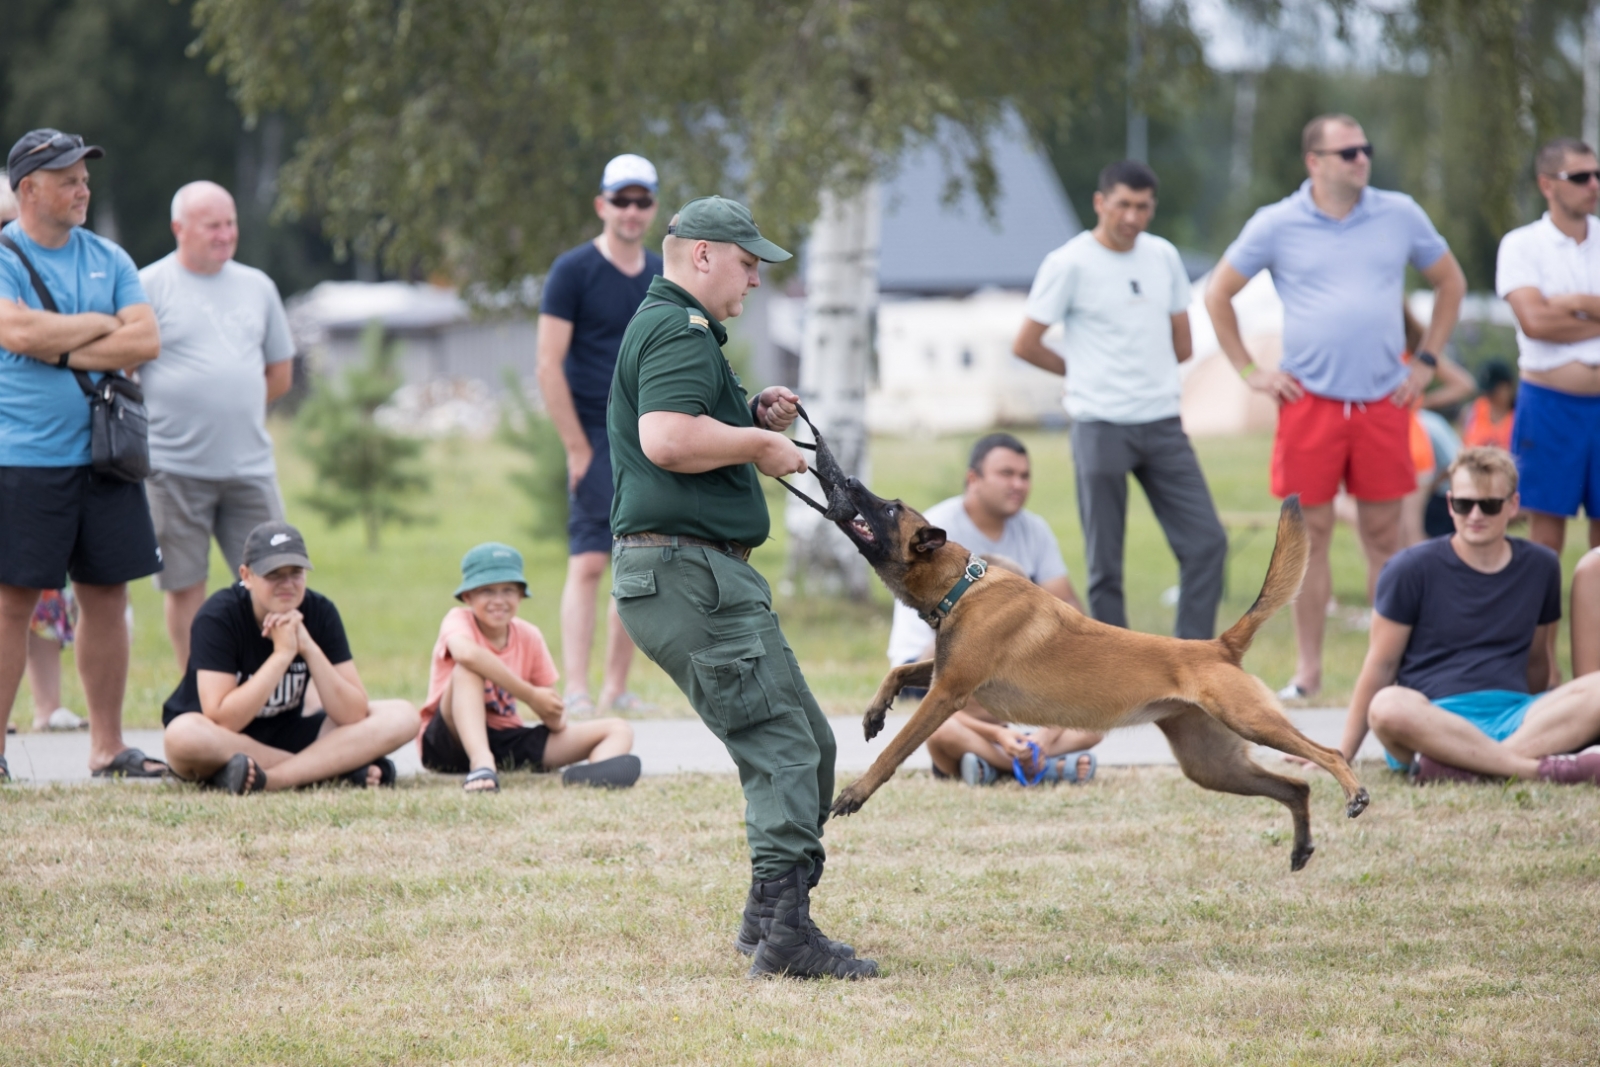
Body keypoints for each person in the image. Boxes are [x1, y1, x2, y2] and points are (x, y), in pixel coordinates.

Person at [608, 196, 877, 980]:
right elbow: (666, 436)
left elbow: (686, 421)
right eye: (747, 261)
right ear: (700, 255)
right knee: (785, 747)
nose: (756, 277)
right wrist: (760, 442)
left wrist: (747, 410)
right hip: (689, 573)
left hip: (700, 572)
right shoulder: (678, 329)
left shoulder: (678, 332)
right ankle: (788, 938)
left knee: (809, 740)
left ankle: (767, 915)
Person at [1205, 113, 1467, 700]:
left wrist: (1425, 361)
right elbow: (1217, 292)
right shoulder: (1276, 222)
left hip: (1382, 402)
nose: (1361, 159)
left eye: (1365, 149)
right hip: (1310, 404)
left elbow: (1451, 282)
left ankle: (1391, 670)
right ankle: (1309, 674)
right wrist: (1250, 371)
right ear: (1315, 162)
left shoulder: (1399, 213)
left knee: (1384, 536)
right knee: (1309, 539)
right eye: (1347, 152)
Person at [0, 129, 165, 783]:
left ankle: (106, 746)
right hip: (24, 458)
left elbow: (145, 339)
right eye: (68, 179)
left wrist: (59, 346)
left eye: (85, 177)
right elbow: (15, 330)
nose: (83, 188)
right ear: (29, 189)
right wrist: (103, 326)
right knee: (13, 603)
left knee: (106, 595)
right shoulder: (4, 255)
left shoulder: (110, 257)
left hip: (105, 458)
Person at [1014, 159, 1227, 640]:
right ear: (1100, 203)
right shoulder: (1068, 263)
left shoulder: (1163, 257)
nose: (1133, 216)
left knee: (1207, 543)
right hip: (1100, 425)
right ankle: (1119, 675)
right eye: (1123, 205)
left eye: (1144, 207)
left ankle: (1191, 664)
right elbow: (1025, 344)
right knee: (1105, 563)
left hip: (1162, 422)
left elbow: (1184, 345)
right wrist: (1083, 370)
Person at [1337, 447, 1600, 785]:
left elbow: (1538, 662)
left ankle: (1462, 767)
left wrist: (1560, 709)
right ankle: (1535, 770)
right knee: (1387, 705)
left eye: (1489, 505)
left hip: (1515, 714)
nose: (1475, 515)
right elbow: (1380, 667)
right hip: (1432, 719)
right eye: (1464, 504)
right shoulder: (1408, 568)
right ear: (1450, 504)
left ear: (1513, 505)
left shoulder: (1541, 566)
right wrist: (1341, 754)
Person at [883, 434, 1100, 786]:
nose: (1018, 484)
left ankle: (998, 763)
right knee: (942, 726)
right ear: (974, 479)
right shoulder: (934, 528)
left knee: (1091, 719)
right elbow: (933, 631)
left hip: (1004, 660)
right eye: (1007, 473)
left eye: (1025, 476)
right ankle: (1037, 767)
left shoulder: (1035, 529)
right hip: (927, 662)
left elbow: (1069, 610)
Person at [140, 181, 295, 672]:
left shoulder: (258, 286)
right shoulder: (148, 286)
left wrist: (229, 407)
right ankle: (199, 695)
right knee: (186, 584)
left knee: (277, 576)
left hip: (248, 464)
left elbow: (279, 374)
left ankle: (273, 688)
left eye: (230, 223)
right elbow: (123, 372)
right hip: (173, 466)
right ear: (179, 228)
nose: (226, 234)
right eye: (213, 225)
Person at [536, 154, 664, 718]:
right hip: (593, 430)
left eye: (642, 201)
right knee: (588, 562)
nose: (631, 211)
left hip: (651, 434)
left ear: (653, 208)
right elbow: (547, 365)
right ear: (601, 205)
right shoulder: (572, 271)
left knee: (638, 563)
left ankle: (617, 688)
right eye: (622, 200)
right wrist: (577, 447)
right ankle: (578, 690)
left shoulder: (664, 273)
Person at [159, 521, 420, 793]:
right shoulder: (219, 617)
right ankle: (332, 770)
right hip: (222, 739)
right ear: (246, 576)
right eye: (273, 574)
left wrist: (307, 647)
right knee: (182, 735)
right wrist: (282, 655)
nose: (287, 584)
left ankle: (271, 779)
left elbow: (353, 714)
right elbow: (224, 720)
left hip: (286, 732)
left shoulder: (319, 612)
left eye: (296, 572)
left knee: (402, 715)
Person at [418, 542, 638, 792]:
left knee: (618, 729)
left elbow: (554, 711)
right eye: (487, 591)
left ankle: (593, 774)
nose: (498, 600)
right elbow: (466, 654)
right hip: (449, 739)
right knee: (467, 669)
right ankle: (481, 763)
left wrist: (553, 713)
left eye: (508, 590)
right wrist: (530, 695)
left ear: (521, 594)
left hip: (506, 740)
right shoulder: (458, 620)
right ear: (468, 596)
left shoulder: (529, 635)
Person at [1496, 137, 1600, 560]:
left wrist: (1574, 304)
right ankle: (1537, 629)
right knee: (1545, 543)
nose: (1593, 184)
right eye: (1579, 177)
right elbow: (1535, 323)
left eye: (1596, 175)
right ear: (1547, 185)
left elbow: (1548, 318)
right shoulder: (1521, 244)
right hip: (1549, 406)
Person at [1461, 361, 1516, 451]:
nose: (1489, 396)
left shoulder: (1521, 416)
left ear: (1507, 386)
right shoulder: (1475, 410)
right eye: (1486, 391)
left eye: (1493, 391)